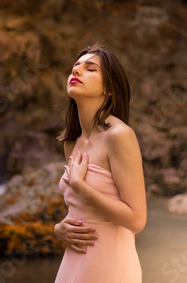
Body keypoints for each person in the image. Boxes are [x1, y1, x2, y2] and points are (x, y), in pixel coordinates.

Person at [54, 43, 146, 282]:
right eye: (75, 67)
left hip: (109, 263)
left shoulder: (119, 136)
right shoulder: (71, 142)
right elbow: (80, 211)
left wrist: (81, 187)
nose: (76, 71)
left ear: (109, 88)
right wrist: (59, 229)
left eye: (90, 68)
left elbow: (137, 220)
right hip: (73, 260)